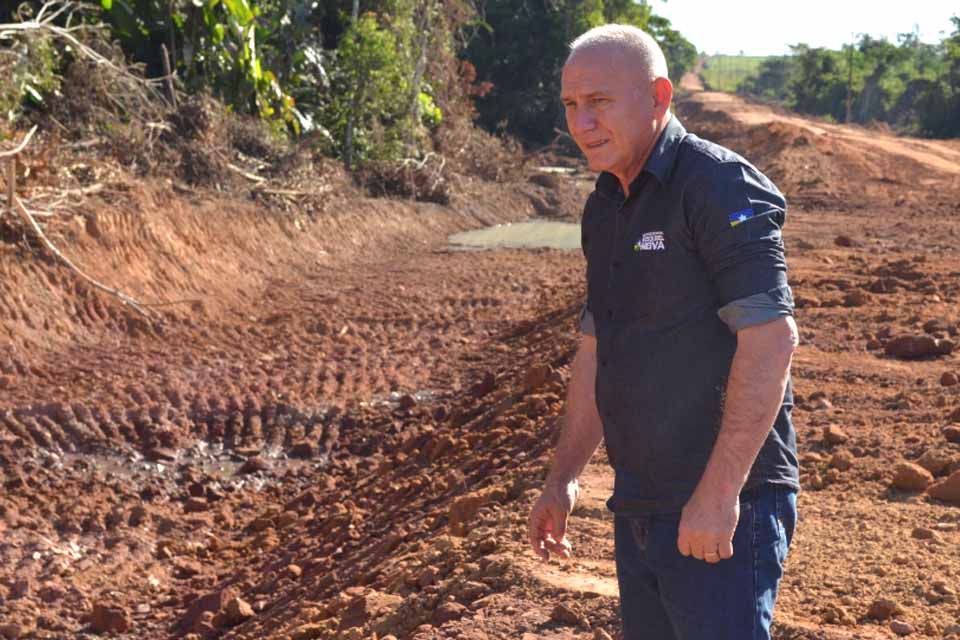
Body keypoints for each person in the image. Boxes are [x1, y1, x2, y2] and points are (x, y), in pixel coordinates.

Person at [527, 24, 800, 640]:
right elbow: (599, 348)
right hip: (641, 502)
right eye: (571, 104)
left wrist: (718, 493)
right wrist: (564, 477)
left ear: (658, 97)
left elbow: (771, 339)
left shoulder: (718, 186)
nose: (581, 121)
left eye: (599, 101)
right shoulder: (605, 207)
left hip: (724, 505)